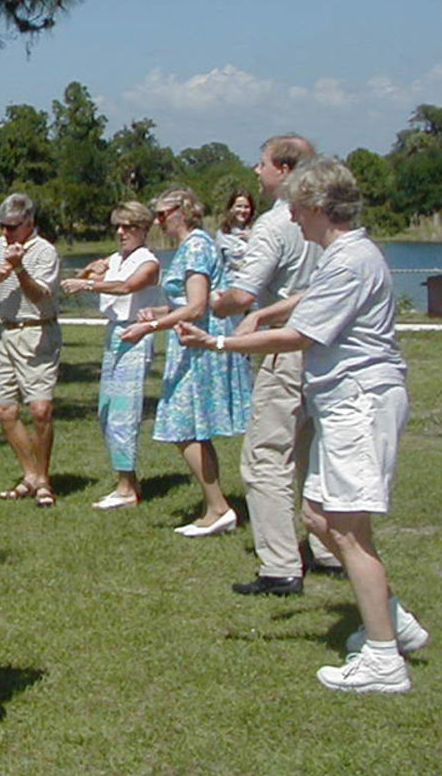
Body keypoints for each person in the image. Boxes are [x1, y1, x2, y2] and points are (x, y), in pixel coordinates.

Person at [178, 157, 427, 693]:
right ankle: (393, 620)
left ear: (317, 207)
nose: (290, 216)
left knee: (346, 531)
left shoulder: (350, 259)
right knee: (316, 516)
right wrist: (266, 313)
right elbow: (306, 301)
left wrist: (217, 341)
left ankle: (384, 660)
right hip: (342, 403)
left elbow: (302, 336)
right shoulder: (345, 255)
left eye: (296, 206)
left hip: (359, 403)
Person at [213, 134, 341, 596]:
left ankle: (280, 565)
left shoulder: (274, 225)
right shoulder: (333, 222)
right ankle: (328, 548)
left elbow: (244, 294)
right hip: (327, 350)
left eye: (262, 163)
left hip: (284, 349)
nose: (256, 172)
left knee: (266, 456)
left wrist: (218, 302)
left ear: (285, 170)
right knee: (313, 453)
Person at [120, 188, 249, 537]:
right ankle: (215, 506)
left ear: (183, 210)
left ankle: (219, 508)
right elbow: (189, 302)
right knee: (190, 427)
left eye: (163, 214)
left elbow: (196, 307)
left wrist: (147, 326)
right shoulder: (194, 246)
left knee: (183, 426)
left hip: (198, 343)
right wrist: (160, 312)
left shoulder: (195, 245)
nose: (159, 221)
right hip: (188, 339)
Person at [61, 202, 161, 508]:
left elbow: (129, 286)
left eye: (128, 227)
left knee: (123, 412)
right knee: (107, 411)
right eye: (118, 226)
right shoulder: (116, 258)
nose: (121, 232)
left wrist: (89, 283)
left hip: (135, 335)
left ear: (143, 229)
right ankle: (126, 480)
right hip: (114, 334)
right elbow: (78, 281)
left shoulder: (149, 262)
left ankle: (127, 488)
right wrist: (91, 271)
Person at [0, 192, 62, 507]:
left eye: (12, 227)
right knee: (6, 411)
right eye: (2, 226)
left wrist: (20, 270)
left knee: (40, 409)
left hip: (36, 332)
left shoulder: (45, 251)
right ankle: (30, 475)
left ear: (29, 223)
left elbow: (40, 297)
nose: (6, 233)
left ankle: (44, 480)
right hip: (5, 333)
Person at [215, 188, 256, 275]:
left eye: (246, 207)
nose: (243, 210)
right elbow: (218, 264)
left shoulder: (257, 231)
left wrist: (252, 239)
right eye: (239, 206)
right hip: (229, 283)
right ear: (231, 208)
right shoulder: (222, 234)